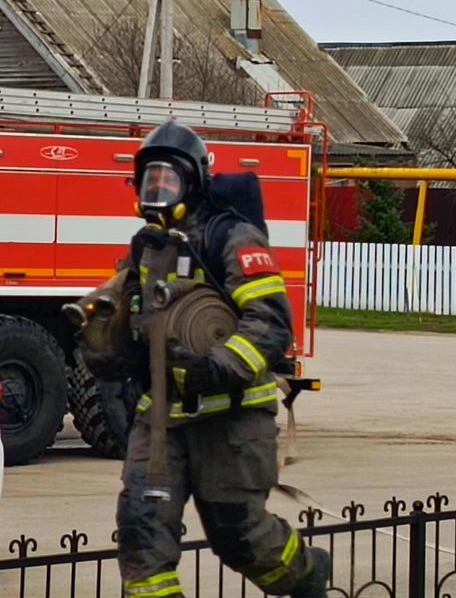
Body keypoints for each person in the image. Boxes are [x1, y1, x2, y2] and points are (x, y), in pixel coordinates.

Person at [110, 119, 331, 598]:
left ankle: (307, 576)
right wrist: (106, 348)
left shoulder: (232, 237)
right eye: (151, 178)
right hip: (161, 422)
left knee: (239, 538)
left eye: (169, 179)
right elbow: (131, 320)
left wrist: (217, 368)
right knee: (141, 532)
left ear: (194, 181)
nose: (159, 189)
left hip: (231, 421)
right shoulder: (146, 248)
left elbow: (270, 322)